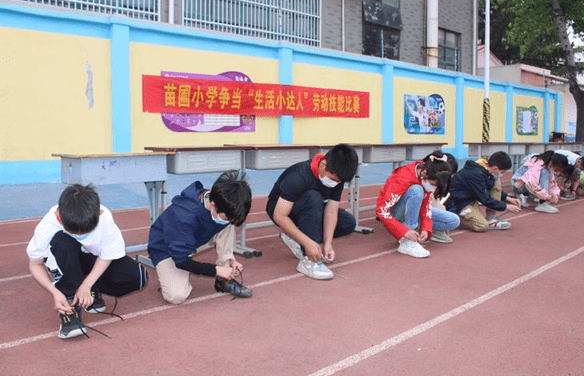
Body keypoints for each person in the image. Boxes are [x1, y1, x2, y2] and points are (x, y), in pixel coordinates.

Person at [27, 184, 149, 339]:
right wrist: (55, 293)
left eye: (87, 230)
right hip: (65, 259)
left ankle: (91, 289)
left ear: (99, 213)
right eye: (74, 231)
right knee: (62, 241)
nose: (81, 235)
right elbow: (35, 263)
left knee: (137, 277)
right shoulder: (48, 225)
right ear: (58, 215)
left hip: (91, 258)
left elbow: (107, 255)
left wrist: (87, 284)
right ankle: (69, 305)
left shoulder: (105, 217)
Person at [147, 170, 253, 304]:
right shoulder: (184, 216)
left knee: (228, 223)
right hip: (166, 248)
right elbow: (181, 261)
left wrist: (229, 261)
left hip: (194, 239)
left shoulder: (221, 199)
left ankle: (224, 279)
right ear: (213, 205)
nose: (228, 220)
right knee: (176, 296)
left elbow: (227, 218)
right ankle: (169, 277)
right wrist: (215, 270)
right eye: (226, 216)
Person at [266, 144, 359, 280]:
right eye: (333, 180)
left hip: (311, 209)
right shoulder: (298, 176)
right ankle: (309, 261)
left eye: (339, 182)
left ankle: (296, 238)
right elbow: (279, 215)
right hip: (282, 210)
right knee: (313, 197)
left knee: (348, 222)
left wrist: (328, 243)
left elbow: (331, 212)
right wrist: (308, 243)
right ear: (323, 165)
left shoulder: (337, 177)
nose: (335, 183)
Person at [376, 152, 460, 259]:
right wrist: (403, 231)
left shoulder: (428, 176)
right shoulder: (403, 177)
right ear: (424, 173)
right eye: (434, 184)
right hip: (395, 214)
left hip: (415, 212)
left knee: (454, 220)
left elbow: (426, 207)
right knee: (417, 190)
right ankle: (408, 241)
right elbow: (381, 211)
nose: (433, 188)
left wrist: (426, 229)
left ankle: (421, 231)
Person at [446, 151, 521, 232]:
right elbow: (484, 199)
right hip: (459, 203)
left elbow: (487, 188)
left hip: (470, 199)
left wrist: (507, 198)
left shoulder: (485, 167)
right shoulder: (476, 174)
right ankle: (453, 220)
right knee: (482, 226)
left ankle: (491, 218)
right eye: (502, 172)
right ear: (495, 168)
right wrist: (506, 206)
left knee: (496, 182)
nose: (502, 175)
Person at [422, 150, 458, 243]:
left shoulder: (434, 183)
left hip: (427, 211)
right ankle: (427, 231)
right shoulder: (426, 182)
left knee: (451, 218)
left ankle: (434, 231)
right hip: (420, 212)